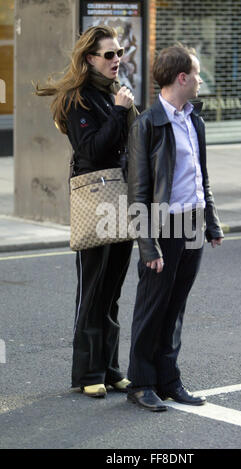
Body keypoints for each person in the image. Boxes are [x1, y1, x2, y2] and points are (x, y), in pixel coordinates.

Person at [35, 26, 138, 398]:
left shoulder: (113, 93)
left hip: (121, 199)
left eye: (119, 52)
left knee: (112, 290)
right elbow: (92, 151)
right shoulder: (77, 99)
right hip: (95, 200)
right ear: (90, 59)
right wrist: (118, 112)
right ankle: (87, 371)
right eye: (108, 55)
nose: (116, 60)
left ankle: (110, 369)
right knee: (92, 290)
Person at [126, 45, 224, 412]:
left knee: (177, 305)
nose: (200, 80)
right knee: (153, 306)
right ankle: (142, 382)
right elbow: (137, 192)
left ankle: (168, 379)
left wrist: (210, 222)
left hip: (193, 221)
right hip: (163, 225)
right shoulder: (147, 124)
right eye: (197, 73)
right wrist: (148, 246)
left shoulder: (194, 120)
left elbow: (202, 177)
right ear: (181, 77)